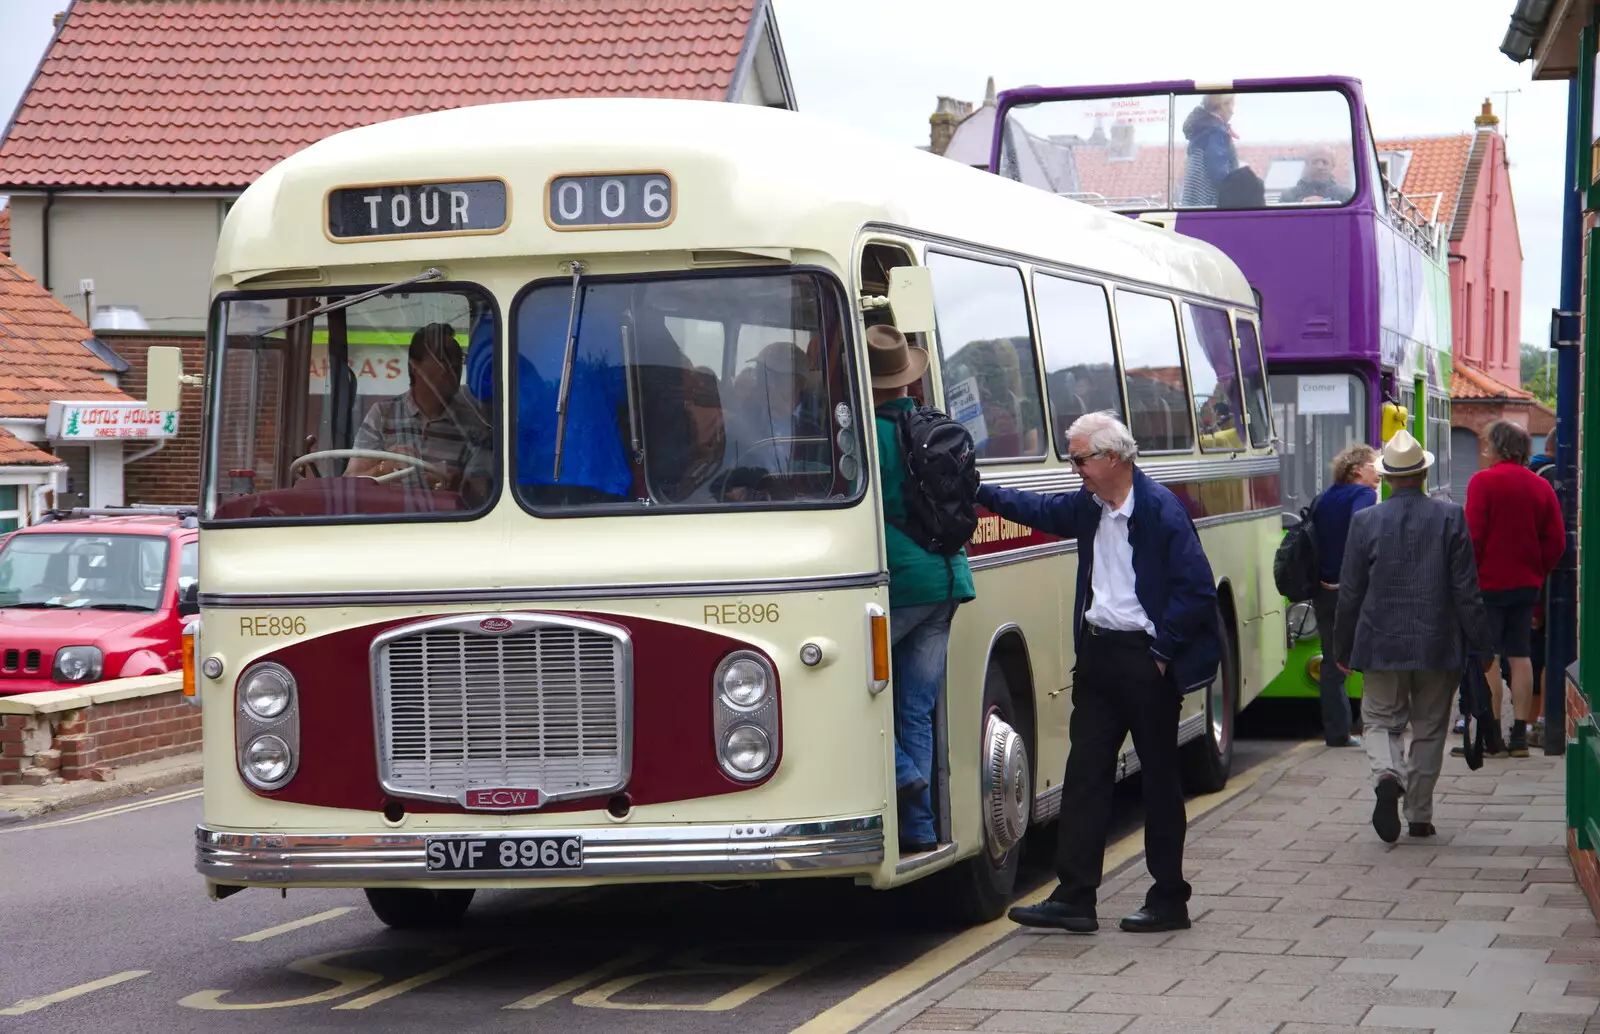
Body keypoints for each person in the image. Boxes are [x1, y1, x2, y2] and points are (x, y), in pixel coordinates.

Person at [994, 411, 1220, 934]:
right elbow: (1038, 509)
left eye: (1079, 459)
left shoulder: (1161, 510)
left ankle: (1169, 900)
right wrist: (979, 487)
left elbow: (1197, 591)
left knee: (1160, 782)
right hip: (1098, 657)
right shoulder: (1088, 506)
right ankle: (1076, 897)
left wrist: (1162, 652)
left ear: (1112, 458)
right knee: (1085, 777)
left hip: (1145, 661)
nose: (1075, 469)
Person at [1332, 430, 1492, 843]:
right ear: (1423, 474)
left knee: (1381, 721)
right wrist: (1482, 643)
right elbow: (1466, 590)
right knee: (1429, 729)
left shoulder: (1365, 520)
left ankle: (1387, 773)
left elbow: (1350, 591)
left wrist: (1342, 647)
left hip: (1380, 642)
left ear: (1385, 478)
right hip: (1439, 643)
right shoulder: (1450, 517)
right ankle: (1419, 815)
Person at [870, 325, 975, 855]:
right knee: (914, 708)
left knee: (844, 693)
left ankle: (905, 774)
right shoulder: (935, 426)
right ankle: (920, 830)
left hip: (905, 583)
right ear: (908, 380)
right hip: (950, 578)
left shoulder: (865, 435)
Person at [1465, 421, 1565, 757]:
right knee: (1520, 656)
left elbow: (1473, 537)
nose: (1484, 451)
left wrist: (1469, 577)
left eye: (1487, 445)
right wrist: (1538, 570)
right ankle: (1520, 734)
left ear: (1497, 447)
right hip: (1526, 585)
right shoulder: (1540, 487)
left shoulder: (1483, 482)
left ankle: (1492, 735)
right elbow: (1556, 541)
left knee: (1488, 657)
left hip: (1488, 584)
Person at [346, 323, 491, 499]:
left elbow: (486, 497)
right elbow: (349, 484)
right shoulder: (383, 415)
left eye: (458, 358)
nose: (453, 365)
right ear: (415, 366)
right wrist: (386, 467)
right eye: (443, 357)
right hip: (385, 521)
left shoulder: (473, 426)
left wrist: (459, 485)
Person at [1312, 443, 1379, 748]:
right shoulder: (1363, 495)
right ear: (1356, 471)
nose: (1377, 471)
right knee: (1373, 658)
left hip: (1323, 590)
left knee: (1332, 662)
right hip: (1354, 590)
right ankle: (1375, 727)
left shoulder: (1325, 497)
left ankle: (1337, 733)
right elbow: (1361, 526)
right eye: (1372, 465)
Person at [1179, 94, 1238, 206]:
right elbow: (1220, 174)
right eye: (1231, 106)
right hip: (1210, 207)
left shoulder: (1201, 130)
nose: (1232, 112)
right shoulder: (1216, 132)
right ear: (1222, 106)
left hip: (1195, 204)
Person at [1279, 144, 1353, 204]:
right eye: (1315, 161)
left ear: (1332, 166)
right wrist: (1300, 204)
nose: (1319, 167)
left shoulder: (1346, 196)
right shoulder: (1288, 196)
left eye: (1325, 162)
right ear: (1307, 163)